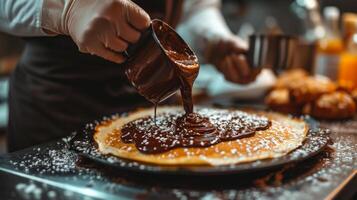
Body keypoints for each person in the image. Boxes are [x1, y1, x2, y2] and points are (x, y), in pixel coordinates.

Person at [0, 0, 257, 152]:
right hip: (56, 107)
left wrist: (213, 37)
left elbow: (196, 7)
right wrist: (65, 9)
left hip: (157, 103)